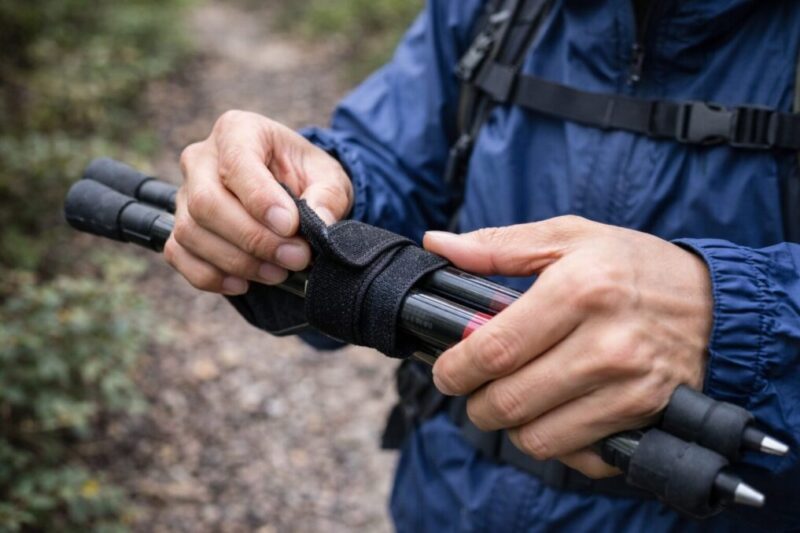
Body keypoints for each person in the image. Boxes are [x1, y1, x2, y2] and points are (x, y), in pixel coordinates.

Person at [163, 1, 800, 531]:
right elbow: (396, 162)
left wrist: (746, 318)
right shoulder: (502, 8)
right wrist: (310, 204)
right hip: (447, 500)